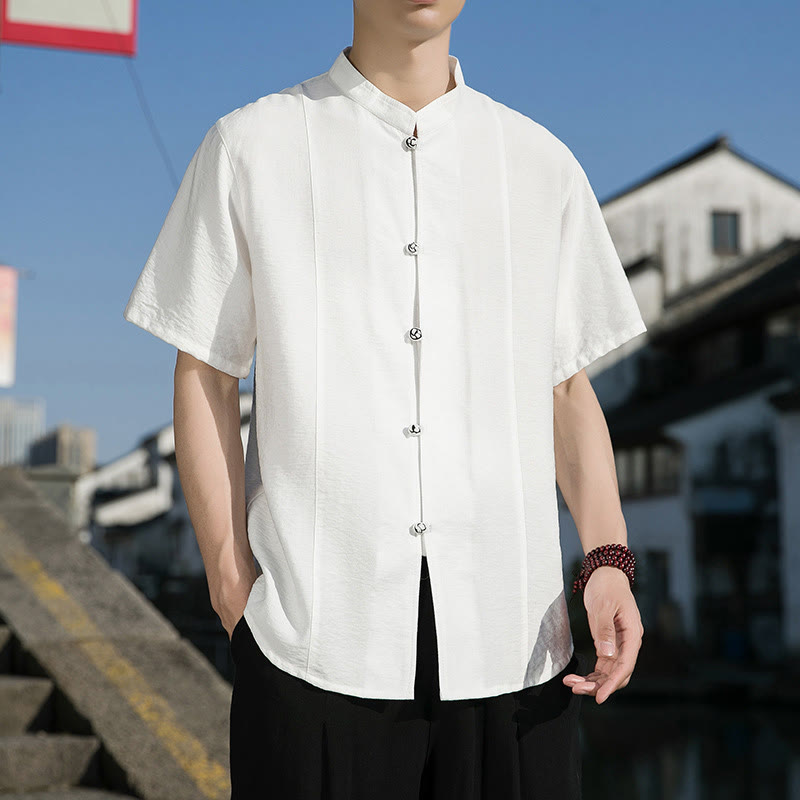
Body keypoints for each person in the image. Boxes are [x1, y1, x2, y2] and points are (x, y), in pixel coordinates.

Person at [123, 1, 647, 797]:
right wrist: (232, 586)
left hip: (517, 647)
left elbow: (567, 386)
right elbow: (206, 370)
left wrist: (607, 562)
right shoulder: (251, 146)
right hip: (311, 645)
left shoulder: (540, 164)